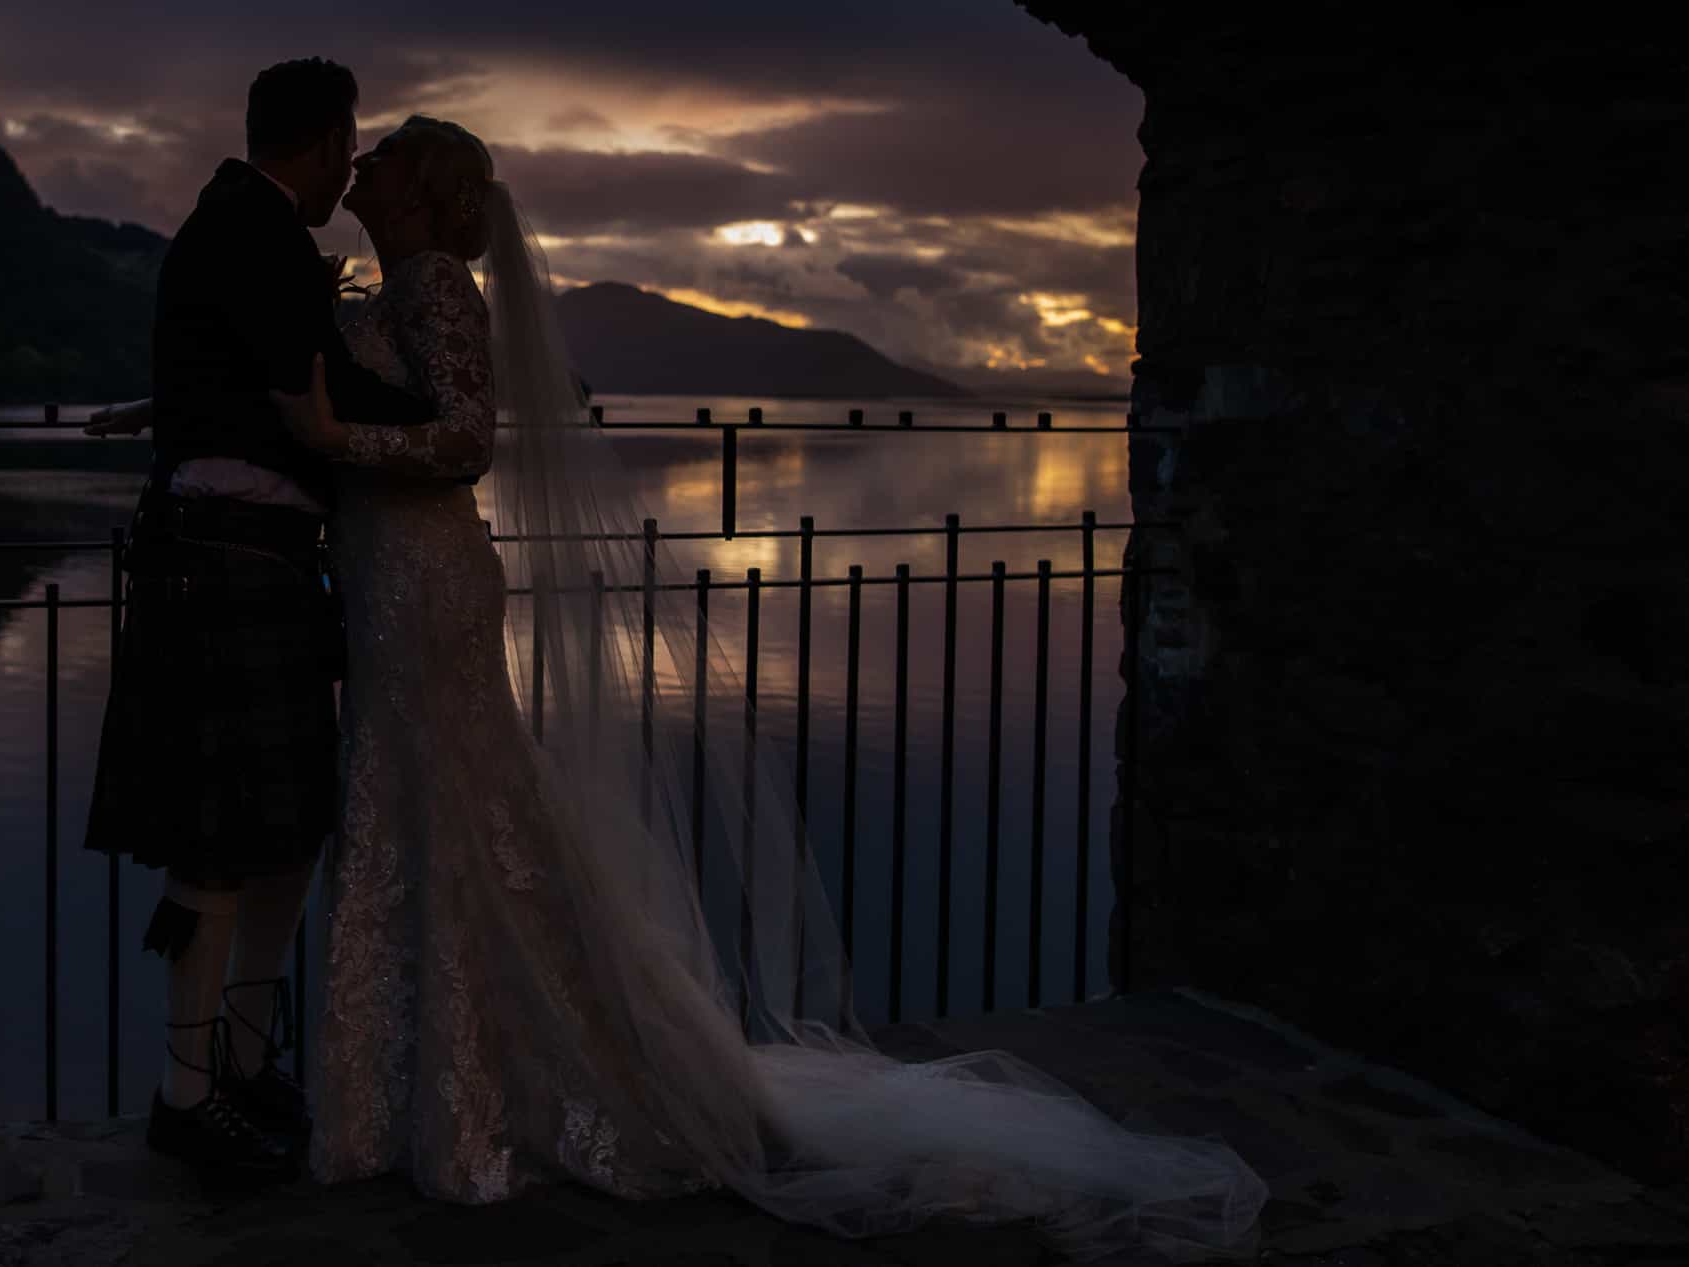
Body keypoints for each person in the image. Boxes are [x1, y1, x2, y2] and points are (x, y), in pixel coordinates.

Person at [254, 113, 1269, 1261]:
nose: (367, 161)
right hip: (390, 576)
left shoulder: (437, 287)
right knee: (424, 810)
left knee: (456, 809)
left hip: (426, 578)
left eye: (386, 153)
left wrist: (339, 439)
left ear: (425, 193)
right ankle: (415, 1082)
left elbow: (467, 440)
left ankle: (481, 1082)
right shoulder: (392, 291)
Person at [80, 58, 432, 1179]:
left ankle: (235, 1061)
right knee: (220, 841)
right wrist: (436, 412)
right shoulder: (253, 229)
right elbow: (307, 391)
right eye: (350, 145)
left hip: (257, 565)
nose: (348, 167)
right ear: (329, 140)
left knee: (279, 834)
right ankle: (187, 1095)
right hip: (223, 567)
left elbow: (247, 376)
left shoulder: (241, 226)